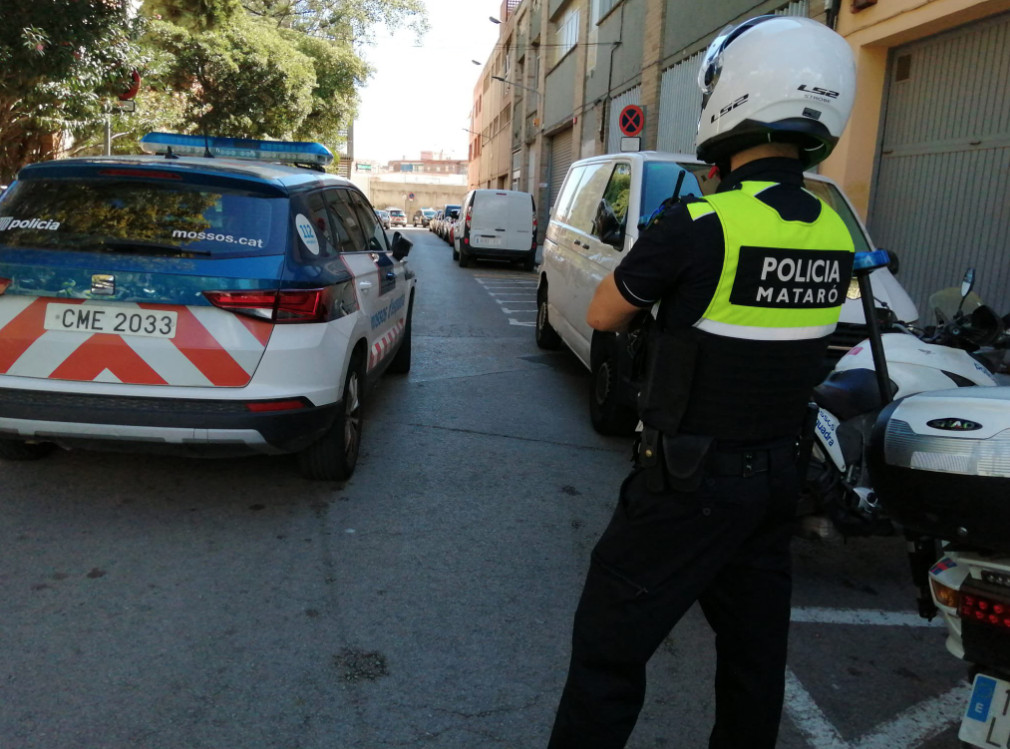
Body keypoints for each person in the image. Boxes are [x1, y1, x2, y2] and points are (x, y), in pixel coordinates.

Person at [548, 16, 858, 749]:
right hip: (779, 472)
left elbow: (604, 311)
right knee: (754, 658)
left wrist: (668, 240)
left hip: (689, 481)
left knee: (608, 644)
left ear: (734, 100)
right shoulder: (835, 230)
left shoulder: (700, 222)